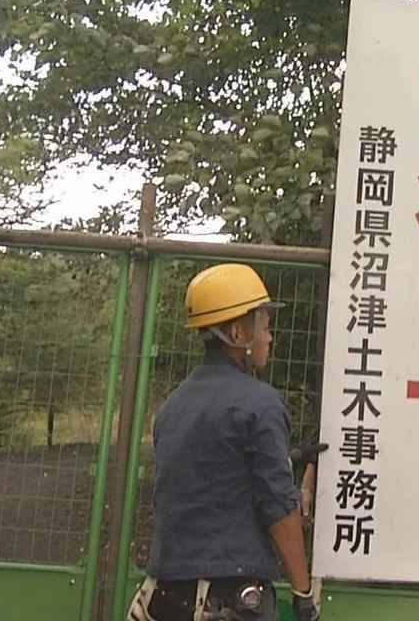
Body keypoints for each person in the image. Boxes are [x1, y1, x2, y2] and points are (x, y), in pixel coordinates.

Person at [127, 263, 320, 621]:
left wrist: (286, 457)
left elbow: (211, 470)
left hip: (163, 596)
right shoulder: (260, 404)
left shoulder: (174, 405)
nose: (270, 336)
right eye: (264, 325)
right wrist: (303, 591)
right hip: (230, 599)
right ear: (237, 332)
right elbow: (277, 505)